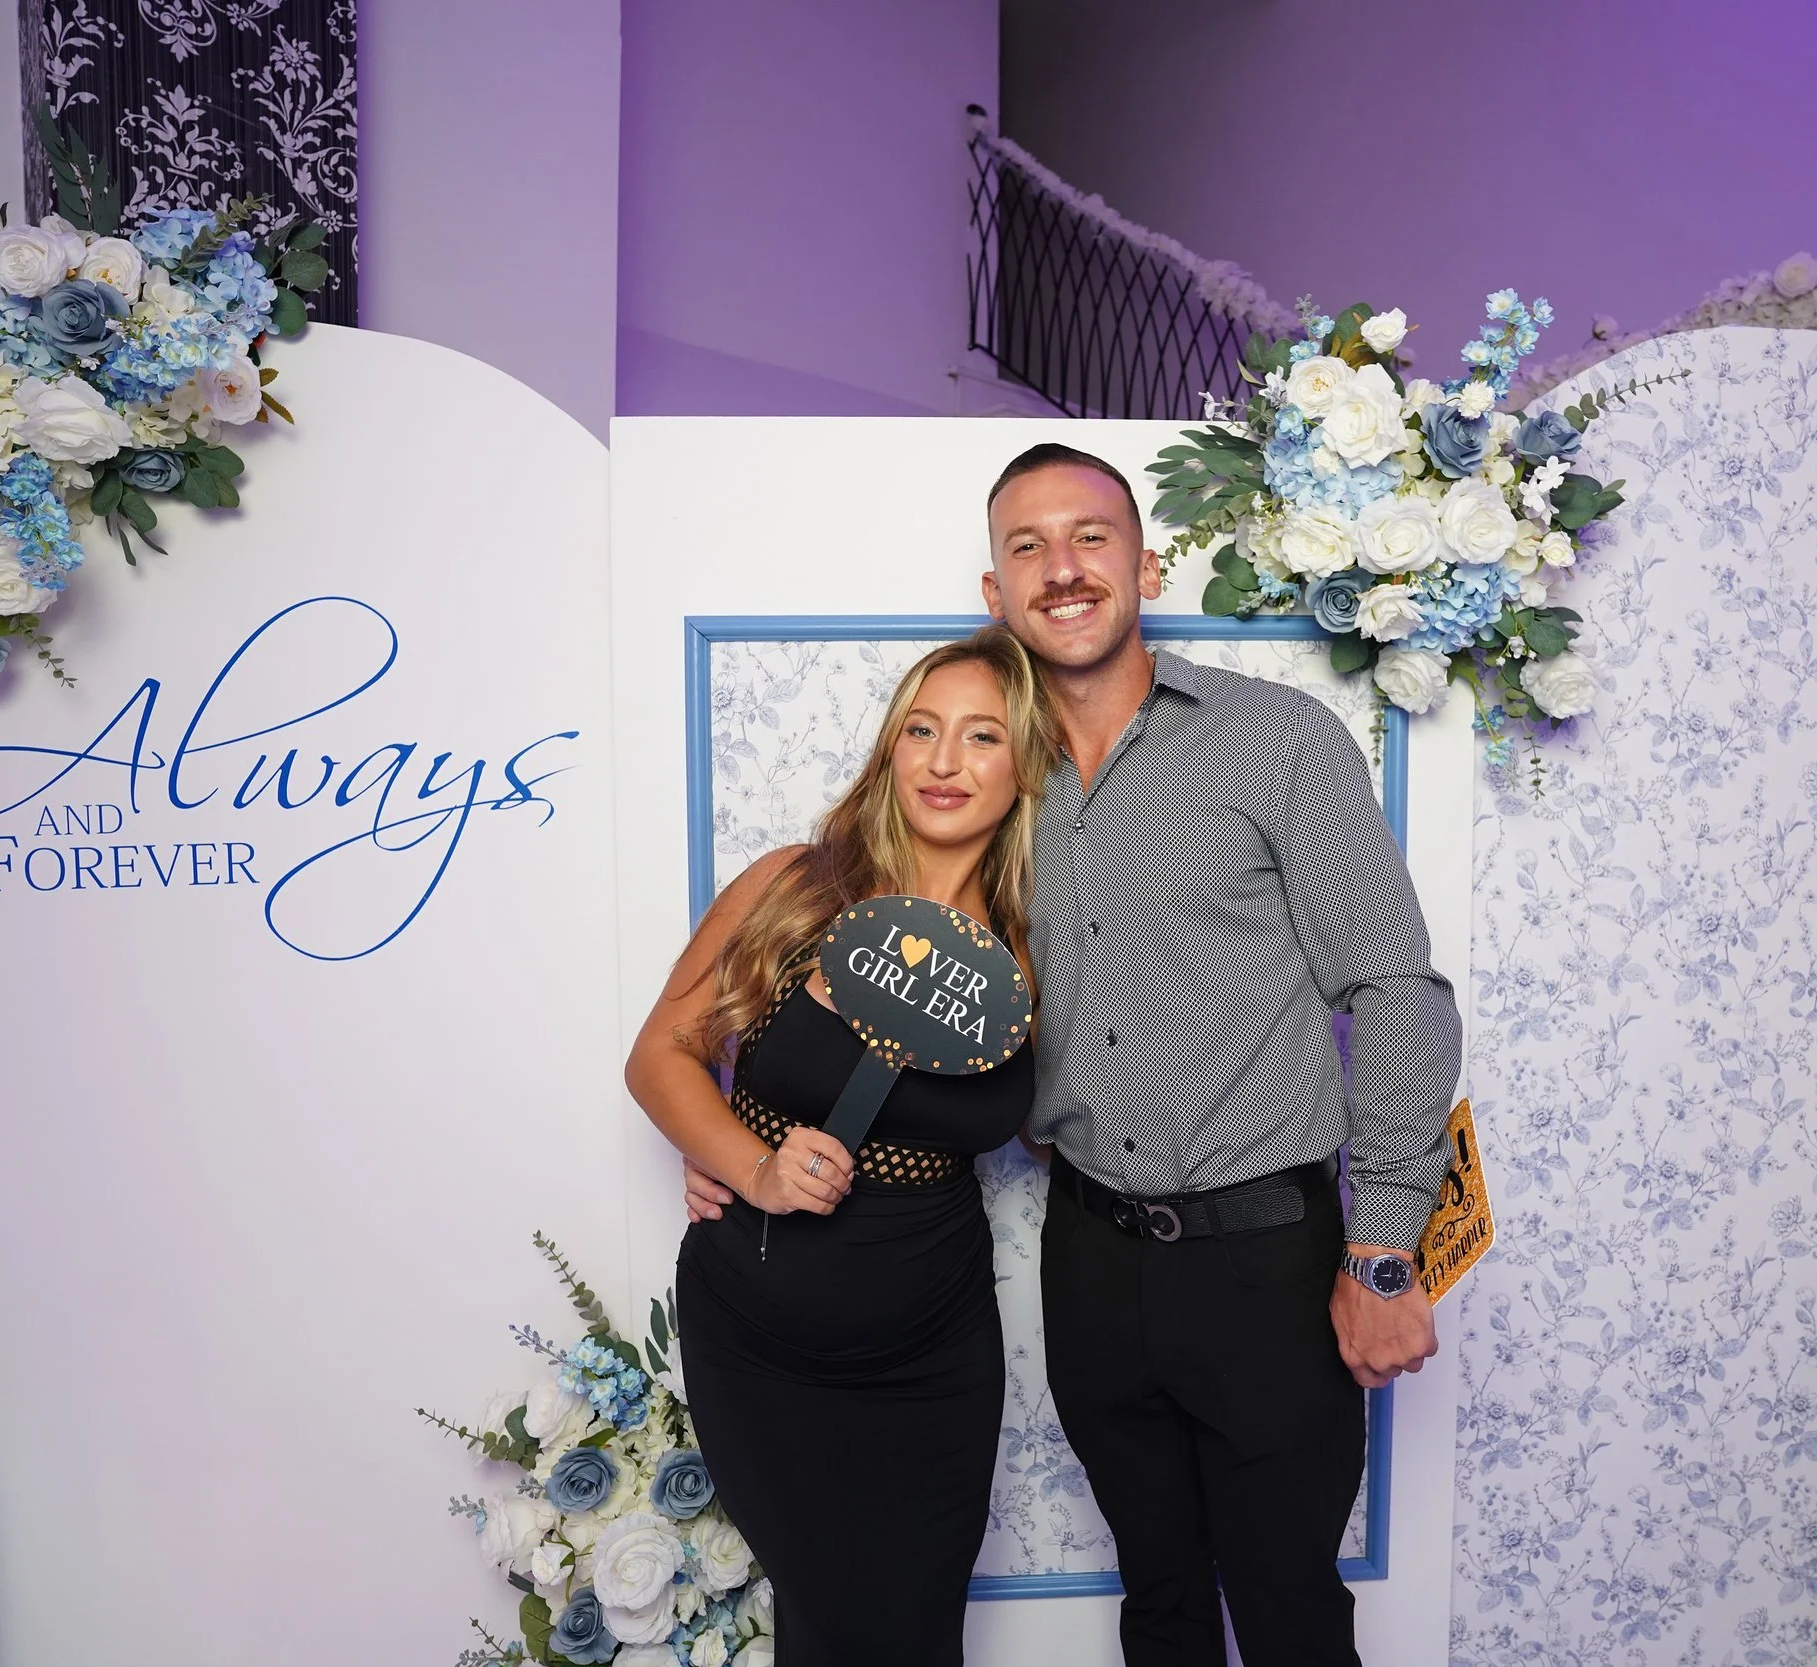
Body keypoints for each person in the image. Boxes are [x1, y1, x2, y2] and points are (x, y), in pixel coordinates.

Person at [688, 444, 1461, 1666]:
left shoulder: (1274, 741)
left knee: (1289, 1610)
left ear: (1145, 565)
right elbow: (901, 984)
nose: (1062, 567)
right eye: (1028, 545)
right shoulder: (985, 781)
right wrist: (739, 1138)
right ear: (993, 590)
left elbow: (1396, 989)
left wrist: (1383, 1248)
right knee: (1156, 1599)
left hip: (1266, 1253)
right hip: (1091, 1256)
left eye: (1091, 536)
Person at [626, 629, 1060, 1667]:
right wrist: (747, 1160)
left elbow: (1063, 1127)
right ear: (889, 748)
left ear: (1025, 765)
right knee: (830, 1624)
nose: (944, 761)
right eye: (921, 729)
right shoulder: (794, 885)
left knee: (919, 1632)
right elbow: (659, 1055)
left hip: (935, 1355)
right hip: (762, 1341)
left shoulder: (1035, 942)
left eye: (982, 736)